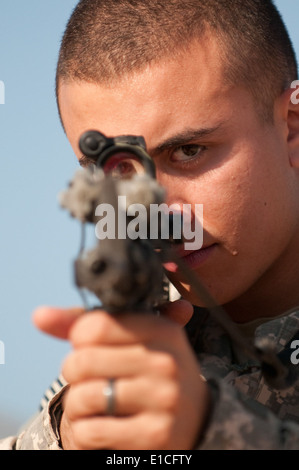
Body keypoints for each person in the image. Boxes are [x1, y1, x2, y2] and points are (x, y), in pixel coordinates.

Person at [2, 0, 299, 450]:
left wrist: (213, 433)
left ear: (292, 129)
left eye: (189, 152)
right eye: (118, 172)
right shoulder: (151, 321)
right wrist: (68, 434)